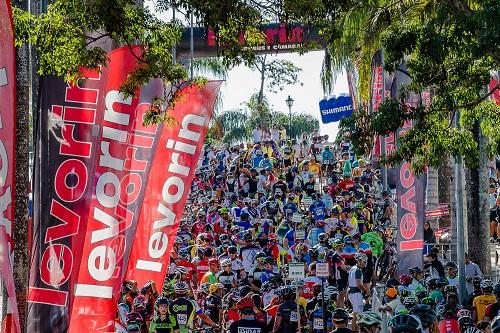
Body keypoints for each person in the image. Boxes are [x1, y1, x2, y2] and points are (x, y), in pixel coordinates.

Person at [348, 253, 369, 332]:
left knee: (356, 314)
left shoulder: (352, 268)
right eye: (364, 261)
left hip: (351, 292)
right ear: (359, 261)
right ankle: (355, 331)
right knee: (357, 315)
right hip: (356, 293)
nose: (365, 263)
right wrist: (366, 291)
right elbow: (359, 284)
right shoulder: (358, 270)